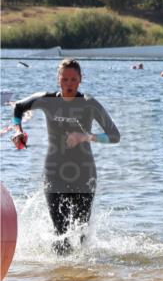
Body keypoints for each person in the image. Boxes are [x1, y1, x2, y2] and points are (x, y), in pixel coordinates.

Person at [10, 59, 120, 255]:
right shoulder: (46, 100)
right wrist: (18, 130)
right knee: (60, 235)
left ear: (80, 80)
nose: (69, 84)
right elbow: (18, 107)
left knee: (81, 235)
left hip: (84, 174)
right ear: (58, 79)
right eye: (65, 79)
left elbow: (114, 136)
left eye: (73, 79)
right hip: (54, 173)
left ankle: (82, 279)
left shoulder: (89, 104)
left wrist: (86, 136)